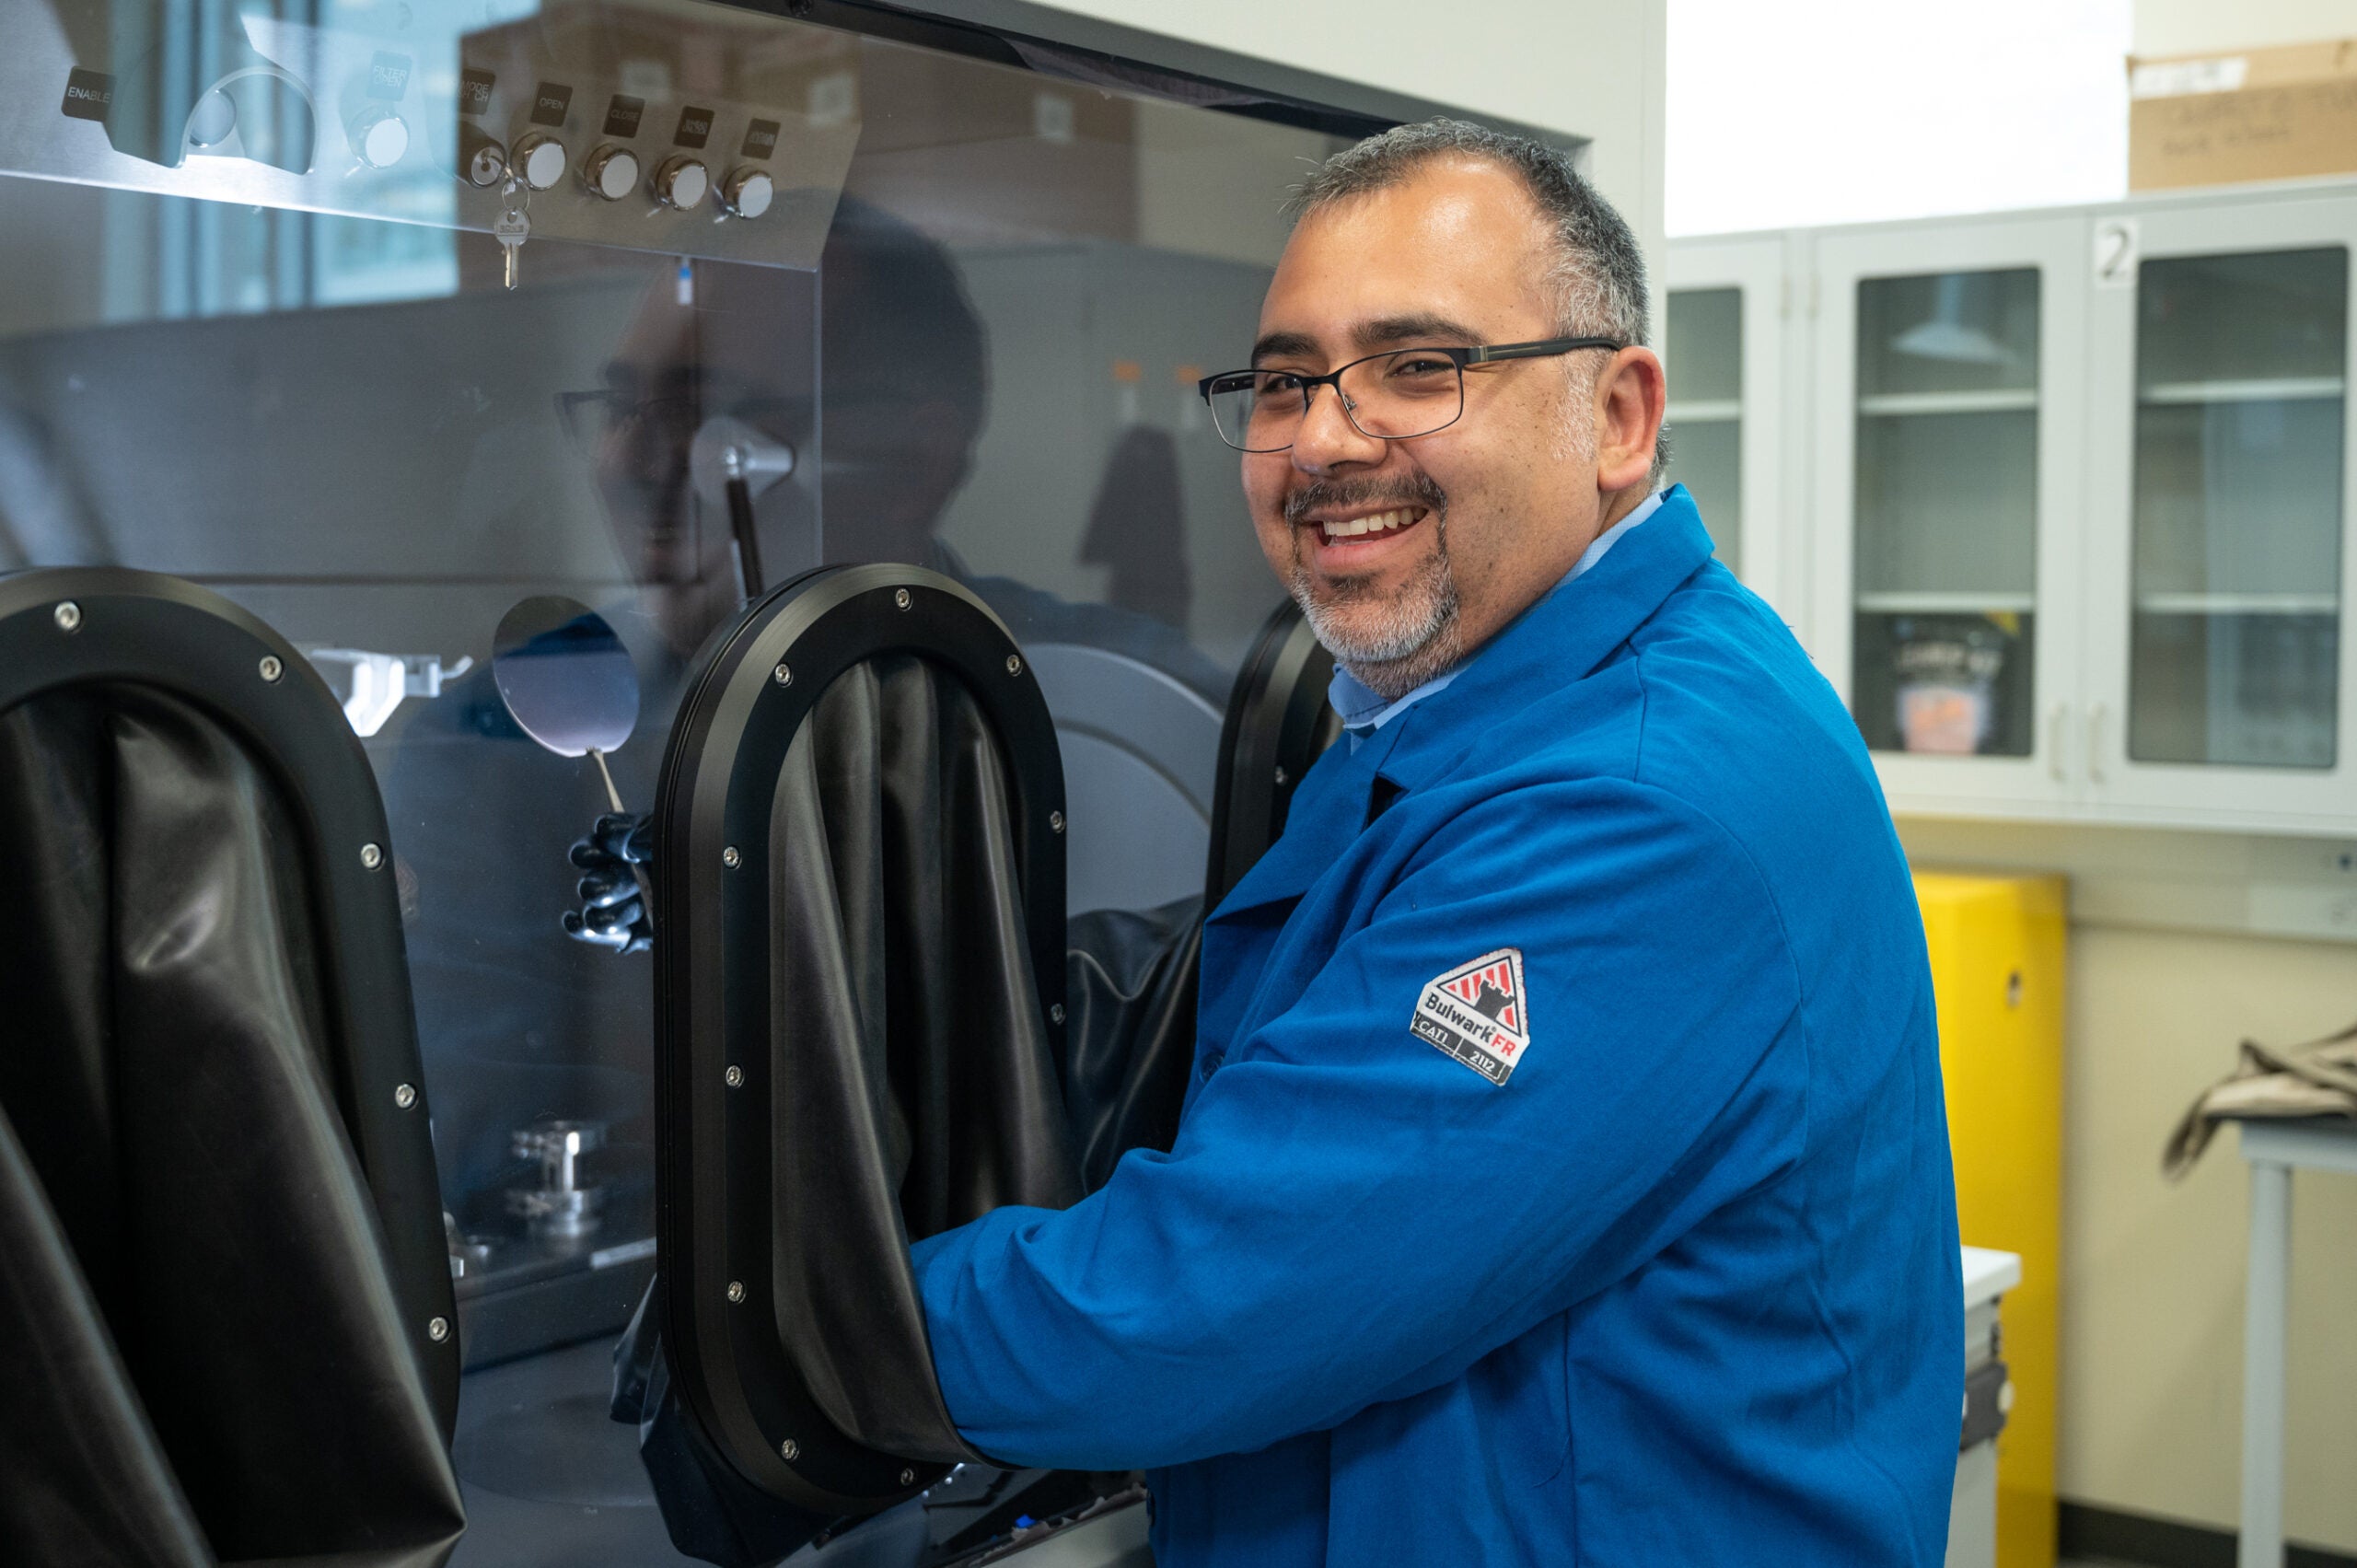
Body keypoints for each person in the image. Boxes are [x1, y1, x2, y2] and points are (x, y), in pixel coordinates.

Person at [907, 120, 1963, 1564]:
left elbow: (1223, 1299)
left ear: (1619, 417)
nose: (1330, 439)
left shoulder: (1632, 807)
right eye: (1287, 382)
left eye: (1421, 367)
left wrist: (823, 1320)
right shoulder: (1469, 699)